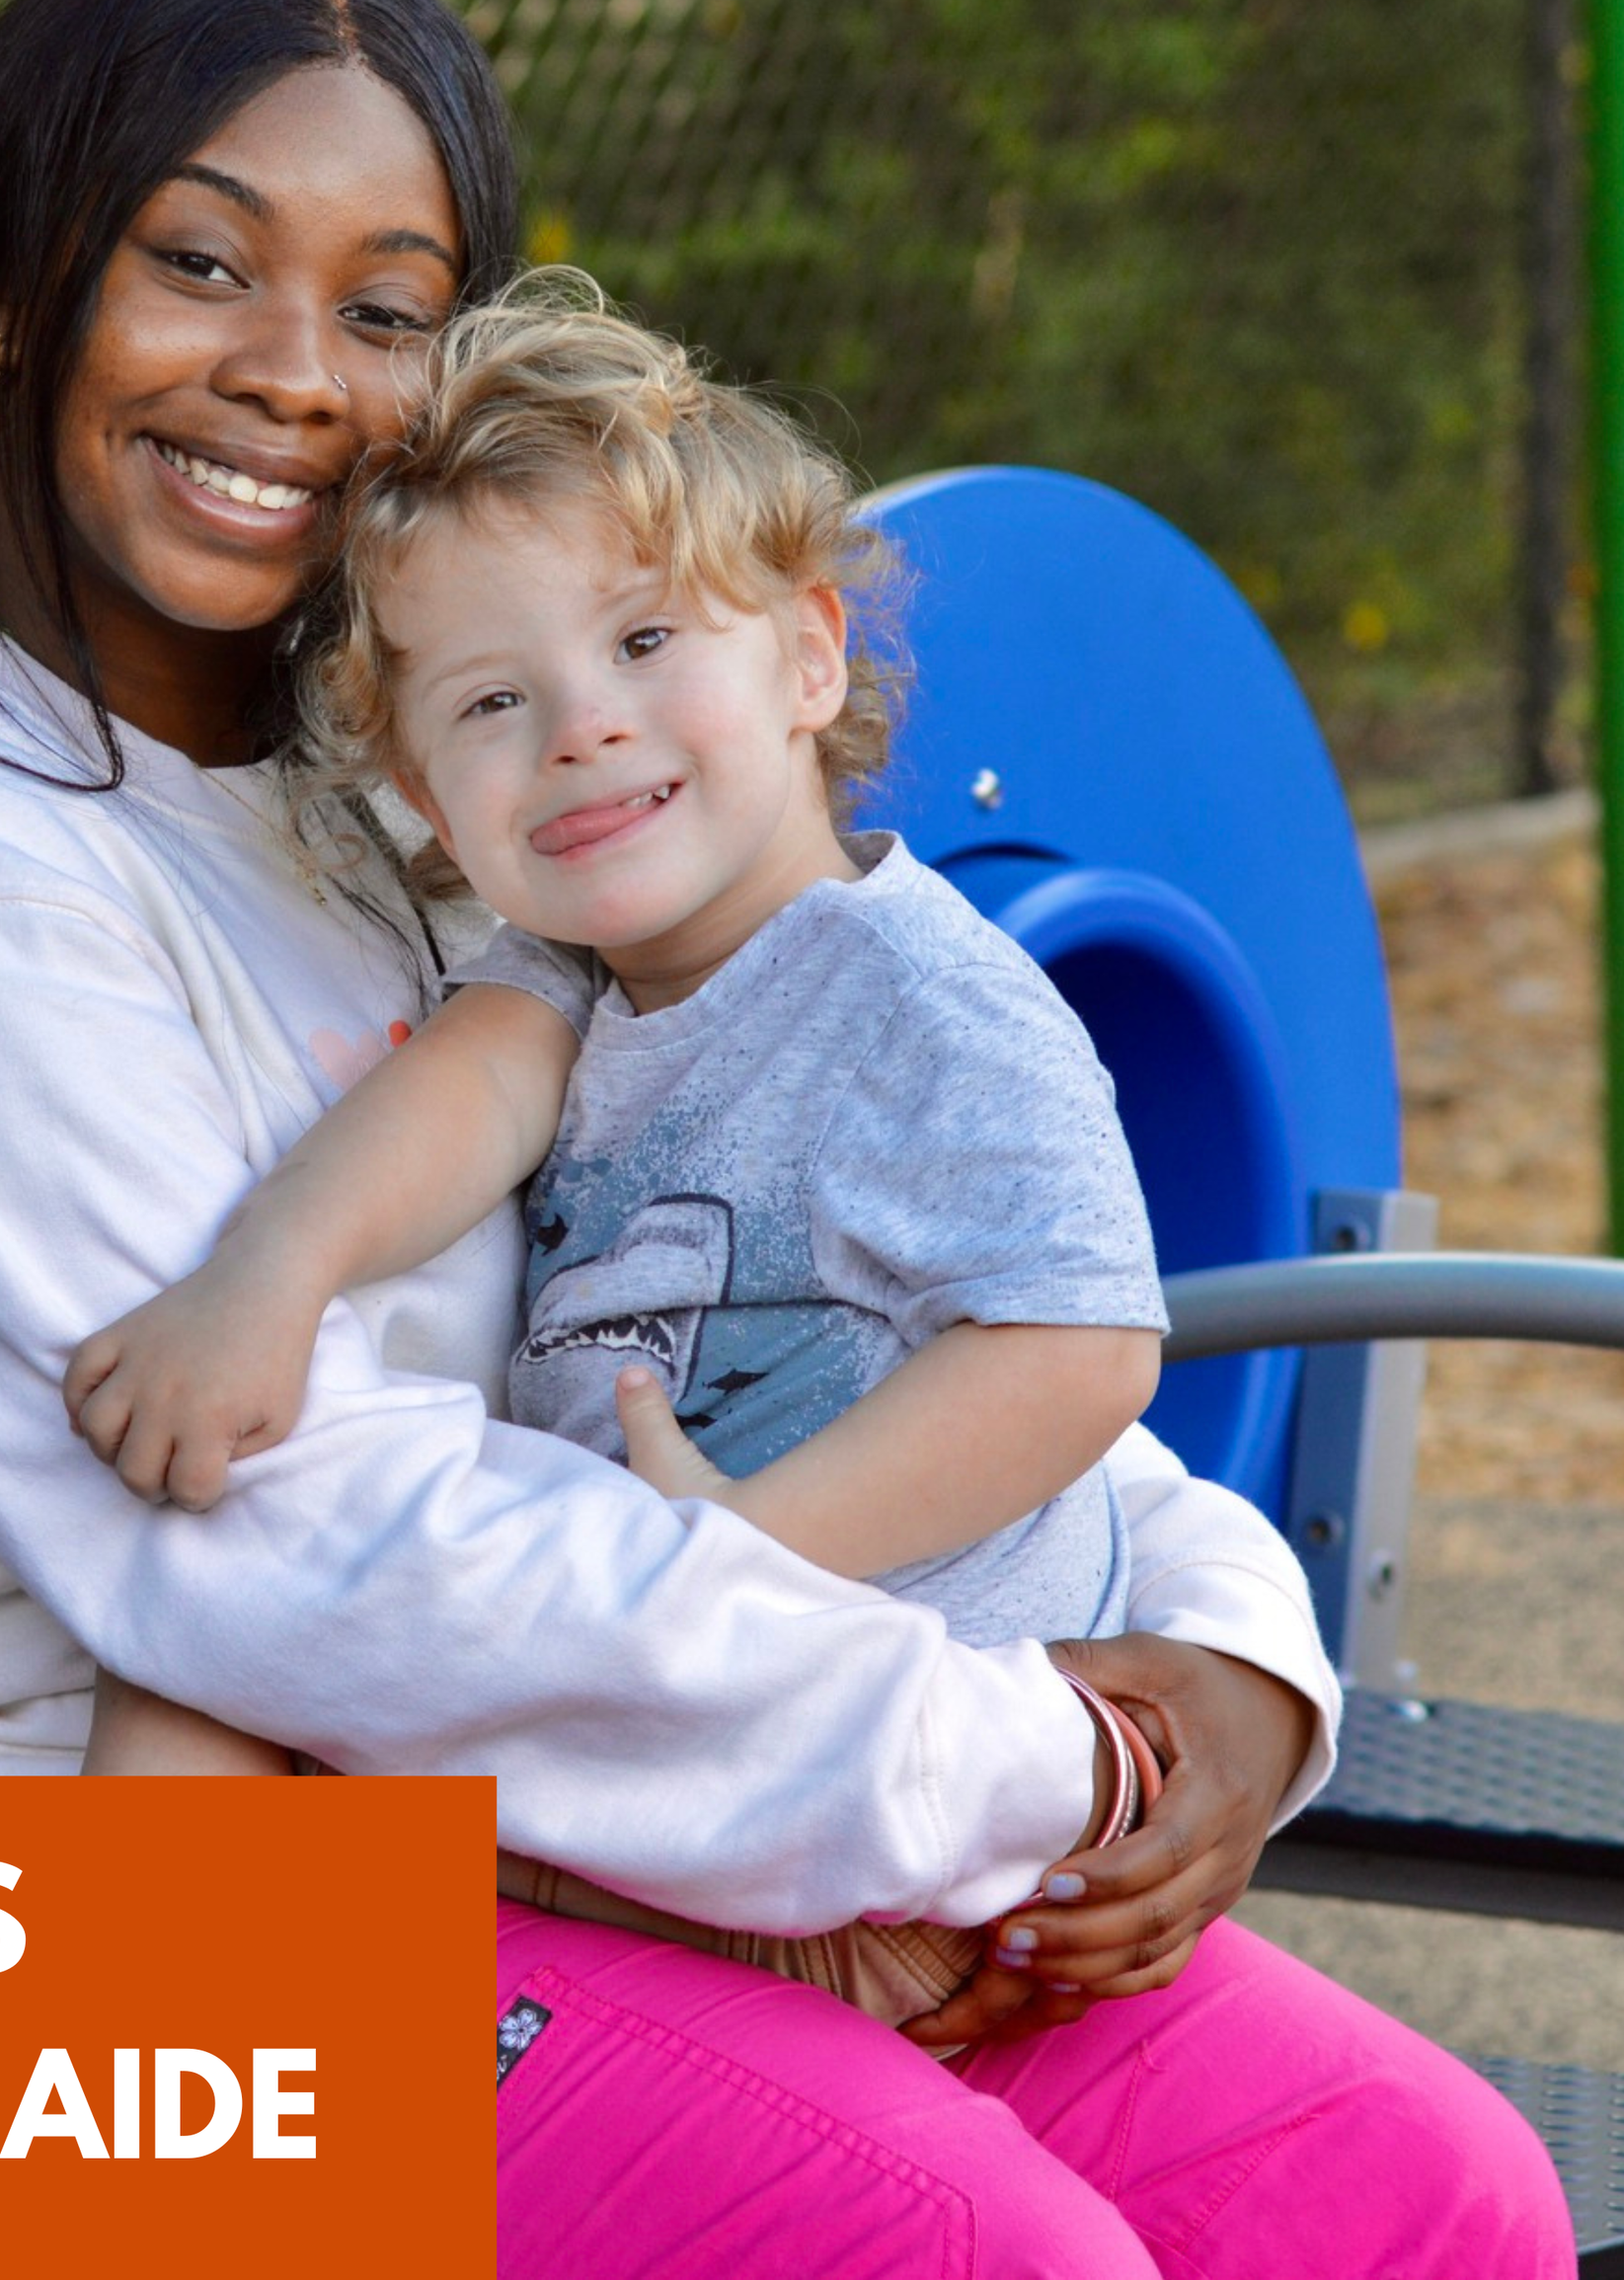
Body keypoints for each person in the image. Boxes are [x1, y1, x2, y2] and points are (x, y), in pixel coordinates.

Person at [0, 0, 1570, 2276]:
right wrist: (1028, 1763)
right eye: (196, 264)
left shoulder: (428, 781)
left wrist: (1222, 1654)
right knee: (977, 2253)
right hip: (69, 1949)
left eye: (379, 304)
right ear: (13, 290)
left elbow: (870, 1265)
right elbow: (298, 1554)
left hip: (570, 1796)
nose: (287, 375)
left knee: (1415, 2190)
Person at [63, 276, 1172, 2025]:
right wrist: (265, 1278)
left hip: (855, 1805)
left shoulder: (919, 998)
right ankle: (158, 2121)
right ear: (431, 811)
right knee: (204, 1674)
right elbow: (475, 1088)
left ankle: (150, 2122)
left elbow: (1083, 1346)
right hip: (713, 1744)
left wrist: (738, 1554)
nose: (578, 723)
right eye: (491, 705)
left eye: (646, 644)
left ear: (811, 657)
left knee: (218, 1684)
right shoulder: (582, 974)